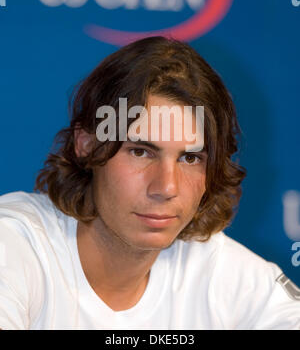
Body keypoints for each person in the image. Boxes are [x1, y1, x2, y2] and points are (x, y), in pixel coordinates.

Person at [0, 36, 299, 330]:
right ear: (88, 145)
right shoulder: (15, 245)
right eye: (141, 152)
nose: (167, 188)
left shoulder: (219, 270)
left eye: (190, 158)